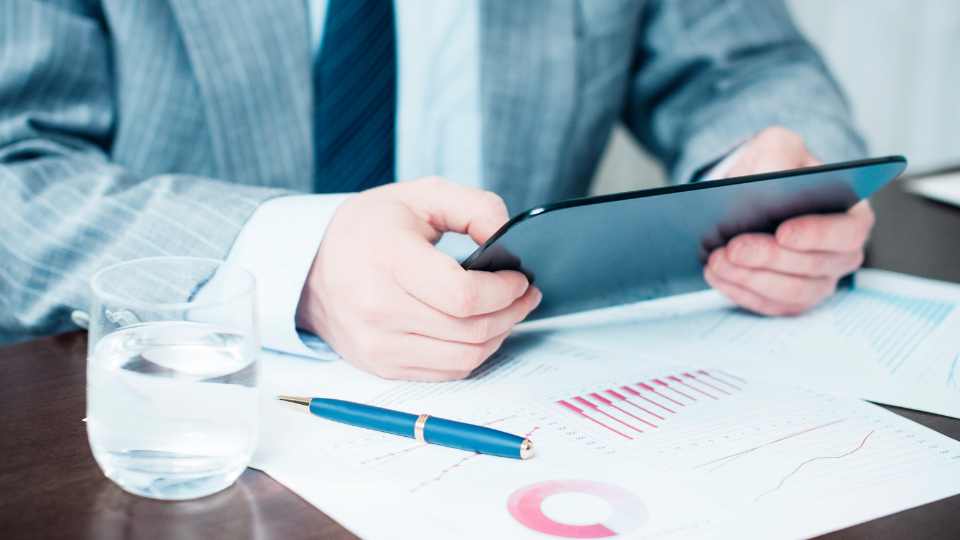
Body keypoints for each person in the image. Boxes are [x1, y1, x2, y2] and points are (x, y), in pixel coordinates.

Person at [0, 1, 873, 380]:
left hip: (523, 395)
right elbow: (17, 174)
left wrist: (778, 177)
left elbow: (754, 64)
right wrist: (300, 262)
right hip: (189, 416)